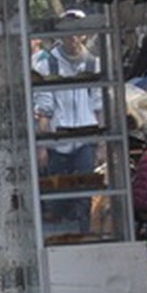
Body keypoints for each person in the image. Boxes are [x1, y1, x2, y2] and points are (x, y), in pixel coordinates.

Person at [32, 26, 103, 230]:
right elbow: (44, 109)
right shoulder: (48, 65)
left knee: (84, 192)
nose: (72, 37)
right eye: (68, 33)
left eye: (76, 32)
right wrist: (43, 146)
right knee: (59, 193)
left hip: (86, 136)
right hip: (57, 139)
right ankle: (61, 236)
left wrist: (101, 144)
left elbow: (99, 105)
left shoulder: (92, 63)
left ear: (83, 35)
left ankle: (84, 232)